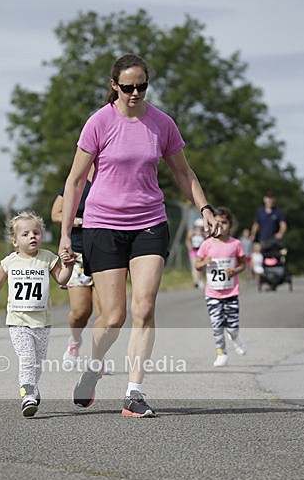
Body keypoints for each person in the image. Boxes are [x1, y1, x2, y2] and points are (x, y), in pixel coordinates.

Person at [58, 53, 220, 418]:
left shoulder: (161, 123)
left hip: (149, 222)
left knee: (144, 306)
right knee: (112, 317)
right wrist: (66, 234)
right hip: (102, 225)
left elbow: (183, 172)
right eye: (128, 87)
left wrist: (205, 207)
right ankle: (94, 366)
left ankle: (134, 393)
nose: (135, 93)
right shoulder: (99, 122)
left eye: (141, 86)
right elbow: (75, 181)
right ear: (114, 85)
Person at [0, 211, 73, 417]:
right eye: (25, 234)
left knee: (38, 361)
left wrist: (69, 266)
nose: (32, 236)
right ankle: (28, 393)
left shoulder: (47, 258)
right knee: (27, 357)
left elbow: (62, 279)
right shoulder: (9, 262)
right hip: (18, 321)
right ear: (15, 240)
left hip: (42, 322)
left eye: (36, 232)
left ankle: (32, 386)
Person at [51, 177, 100, 364]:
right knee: (81, 311)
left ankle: (99, 357)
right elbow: (56, 214)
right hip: (78, 253)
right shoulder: (77, 181)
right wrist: (81, 220)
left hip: (106, 252)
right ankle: (75, 342)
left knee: (106, 313)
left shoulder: (109, 178)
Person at [195, 206, 247, 367]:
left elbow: (243, 263)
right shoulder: (207, 244)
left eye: (224, 223)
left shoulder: (236, 244)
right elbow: (197, 265)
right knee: (217, 326)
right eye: (216, 223)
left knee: (231, 328)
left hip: (231, 292)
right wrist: (204, 262)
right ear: (211, 225)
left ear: (230, 225)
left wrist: (236, 270)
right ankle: (221, 353)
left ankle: (236, 337)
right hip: (212, 293)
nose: (220, 226)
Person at [185, 218, 206, 288]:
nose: (199, 228)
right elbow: (187, 240)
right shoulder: (192, 232)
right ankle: (196, 280)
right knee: (194, 266)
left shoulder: (204, 233)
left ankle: (200, 280)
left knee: (201, 267)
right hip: (193, 251)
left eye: (200, 227)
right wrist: (190, 248)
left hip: (201, 252)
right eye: (198, 226)